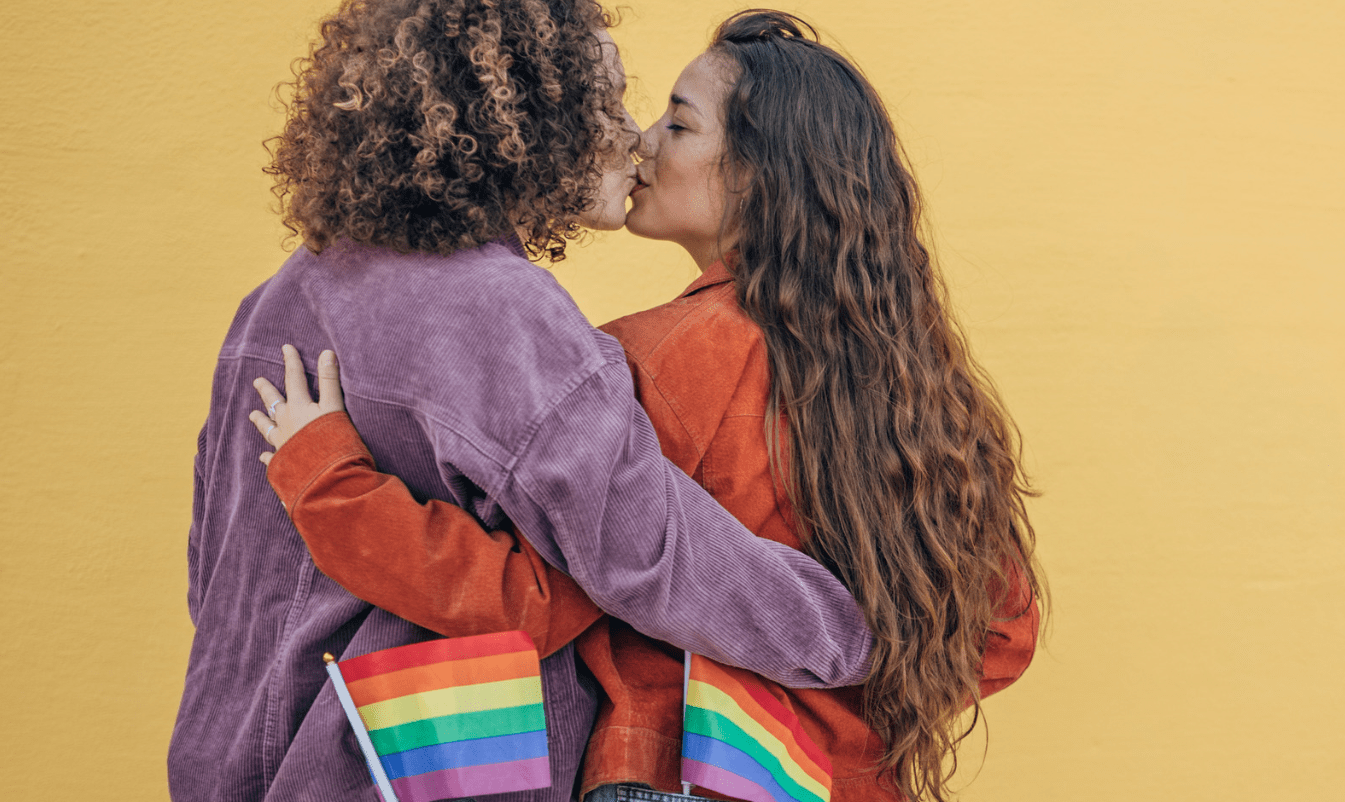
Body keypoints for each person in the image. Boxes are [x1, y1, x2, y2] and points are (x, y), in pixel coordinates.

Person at [251, 9, 1044, 802]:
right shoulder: (925, 391)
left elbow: (528, 599)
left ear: (754, 176)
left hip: (684, 771)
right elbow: (1001, 636)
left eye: (679, 122)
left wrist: (329, 483)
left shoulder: (658, 362)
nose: (643, 141)